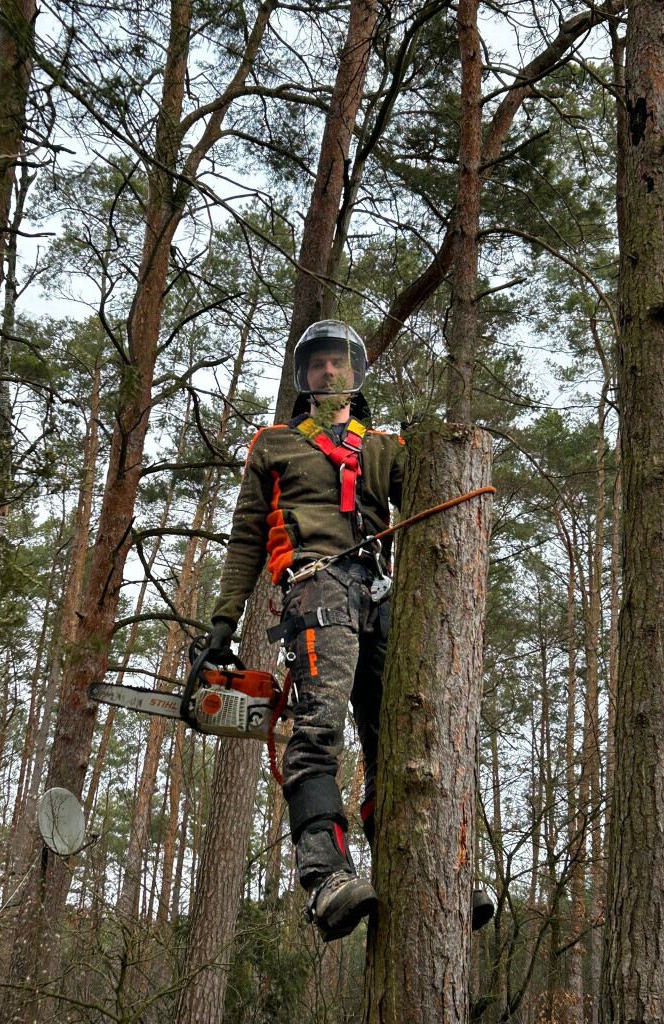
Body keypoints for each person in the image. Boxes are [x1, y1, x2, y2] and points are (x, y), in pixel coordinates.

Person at [206, 320, 494, 941]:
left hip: (381, 595)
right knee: (318, 730)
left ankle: (430, 873)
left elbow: (434, 495)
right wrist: (223, 618)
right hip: (315, 588)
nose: (328, 373)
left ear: (356, 375)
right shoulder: (274, 444)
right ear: (303, 378)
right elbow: (246, 537)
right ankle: (327, 878)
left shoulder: (384, 447)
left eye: (338, 363)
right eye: (317, 365)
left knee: (402, 738)